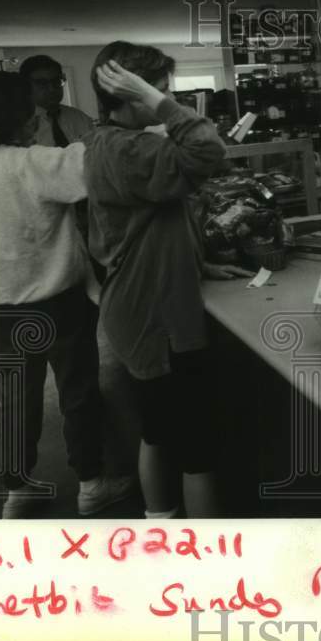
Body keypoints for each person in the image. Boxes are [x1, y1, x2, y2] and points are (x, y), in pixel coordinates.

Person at [0, 72, 131, 518]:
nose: (40, 114)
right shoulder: (37, 162)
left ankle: (17, 489)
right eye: (32, 108)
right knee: (78, 393)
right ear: (15, 115)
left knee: (14, 401)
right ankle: (91, 484)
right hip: (59, 304)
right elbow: (101, 164)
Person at [85, 41, 248, 519]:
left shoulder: (104, 142)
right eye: (158, 91)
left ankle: (160, 523)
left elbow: (152, 228)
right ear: (131, 94)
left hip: (137, 309)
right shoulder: (134, 148)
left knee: (158, 428)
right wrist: (160, 103)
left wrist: (196, 264)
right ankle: (205, 560)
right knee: (196, 448)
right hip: (158, 319)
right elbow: (207, 149)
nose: (164, 98)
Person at [19, 54, 95, 147]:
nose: (52, 89)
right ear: (26, 86)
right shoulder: (20, 125)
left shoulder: (79, 118)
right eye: (42, 83)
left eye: (56, 81)